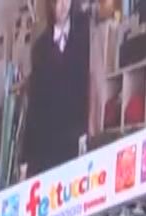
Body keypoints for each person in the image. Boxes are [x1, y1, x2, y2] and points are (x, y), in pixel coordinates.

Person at [21, 0, 94, 178]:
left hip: (75, 136)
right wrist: (25, 157)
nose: (61, 6)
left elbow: (89, 86)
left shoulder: (85, 36)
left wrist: (86, 131)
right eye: (56, 1)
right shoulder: (40, 48)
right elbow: (35, 104)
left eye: (65, 0)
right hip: (47, 142)